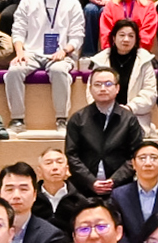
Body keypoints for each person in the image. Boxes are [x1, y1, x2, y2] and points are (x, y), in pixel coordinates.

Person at [62, 66, 144, 195]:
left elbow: (135, 156)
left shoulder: (129, 120)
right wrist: (91, 181)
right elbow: (71, 156)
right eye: (97, 84)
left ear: (117, 88)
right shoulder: (78, 119)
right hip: (83, 188)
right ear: (90, 89)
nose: (103, 89)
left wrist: (114, 180)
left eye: (108, 84)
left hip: (121, 188)